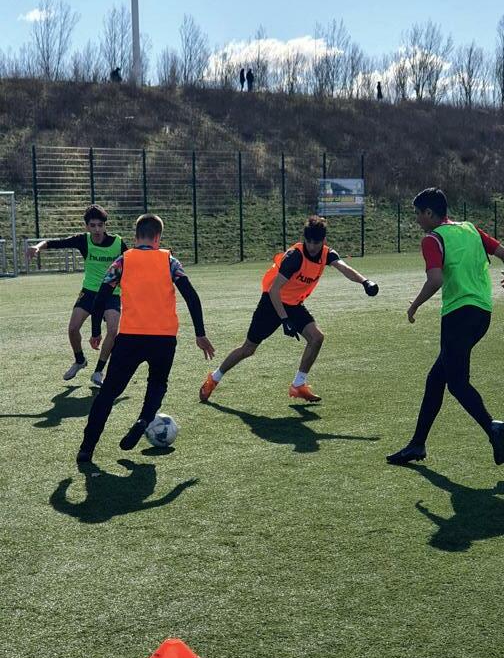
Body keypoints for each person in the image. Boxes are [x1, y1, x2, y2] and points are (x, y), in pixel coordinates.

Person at [77, 213, 214, 463]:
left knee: (108, 392)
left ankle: (87, 448)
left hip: (130, 336)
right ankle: (144, 419)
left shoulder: (123, 261)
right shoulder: (169, 261)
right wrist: (200, 333)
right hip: (164, 338)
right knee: (157, 383)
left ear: (135, 236)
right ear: (158, 237)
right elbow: (191, 296)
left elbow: (101, 297)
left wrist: (96, 330)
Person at [199, 215, 378, 404]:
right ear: (304, 239)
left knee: (316, 338)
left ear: (324, 241)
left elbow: (344, 267)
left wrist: (365, 282)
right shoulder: (295, 257)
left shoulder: (327, 254)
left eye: (316, 242)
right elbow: (274, 290)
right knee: (248, 349)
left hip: (294, 304)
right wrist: (285, 320)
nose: (312, 246)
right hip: (271, 303)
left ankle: (298, 385)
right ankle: (214, 378)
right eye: (309, 241)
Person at [387, 187, 504, 466]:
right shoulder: (470, 229)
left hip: (458, 314)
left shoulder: (432, 239)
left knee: (457, 383)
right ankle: (417, 444)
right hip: (482, 313)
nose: (417, 219)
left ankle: (495, 428)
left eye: (418, 214)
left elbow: (436, 279)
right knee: (436, 378)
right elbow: (502, 251)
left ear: (429, 213)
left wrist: (414, 306)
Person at [28, 204, 128, 387]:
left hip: (112, 293)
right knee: (73, 328)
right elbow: (56, 243)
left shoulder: (118, 243)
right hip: (89, 292)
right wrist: (37, 247)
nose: (97, 230)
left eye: (100, 225)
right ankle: (80, 360)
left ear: (105, 225)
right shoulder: (83, 240)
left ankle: (98, 371)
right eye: (92, 225)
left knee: (113, 330)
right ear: (86, 226)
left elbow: (132, 262)